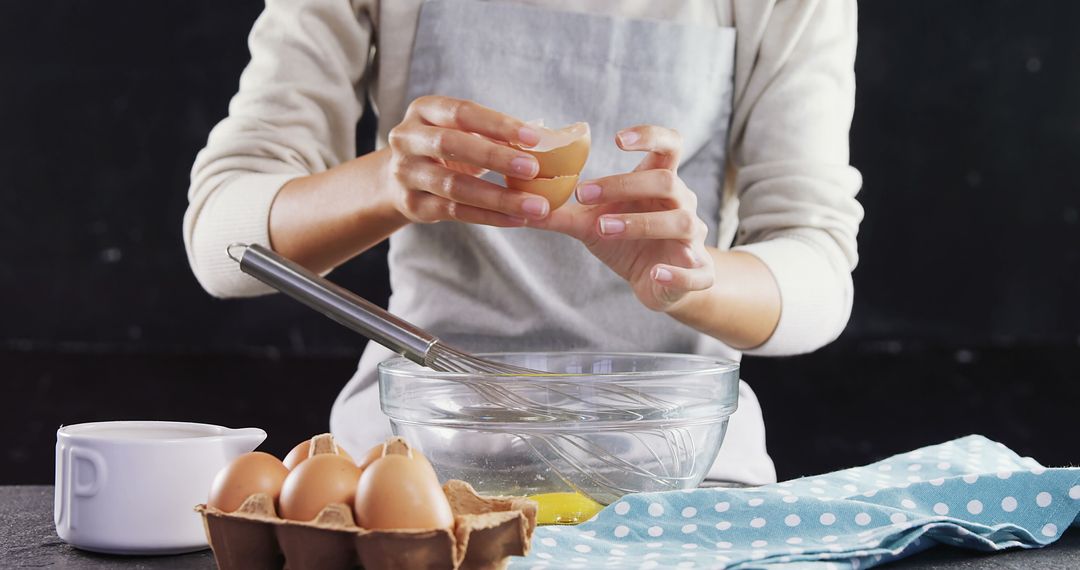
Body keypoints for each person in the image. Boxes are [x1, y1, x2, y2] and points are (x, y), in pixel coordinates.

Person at [183, 0, 863, 486]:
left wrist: (696, 277)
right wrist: (392, 184)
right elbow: (222, 244)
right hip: (417, 467)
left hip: (681, 471)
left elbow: (819, 269)